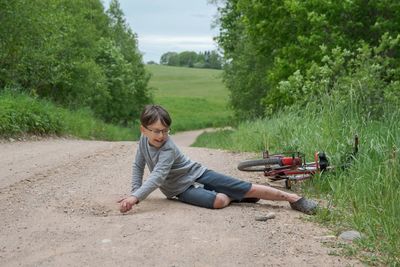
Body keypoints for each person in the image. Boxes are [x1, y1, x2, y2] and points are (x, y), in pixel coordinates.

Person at [118, 105, 318, 214]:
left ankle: (294, 200)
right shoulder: (143, 142)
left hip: (197, 173)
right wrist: (134, 191)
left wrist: (136, 198)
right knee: (219, 202)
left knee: (244, 186)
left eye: (166, 131)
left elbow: (158, 177)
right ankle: (235, 195)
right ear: (143, 130)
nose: (162, 136)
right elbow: (138, 165)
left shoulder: (167, 148)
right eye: (156, 131)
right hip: (180, 189)